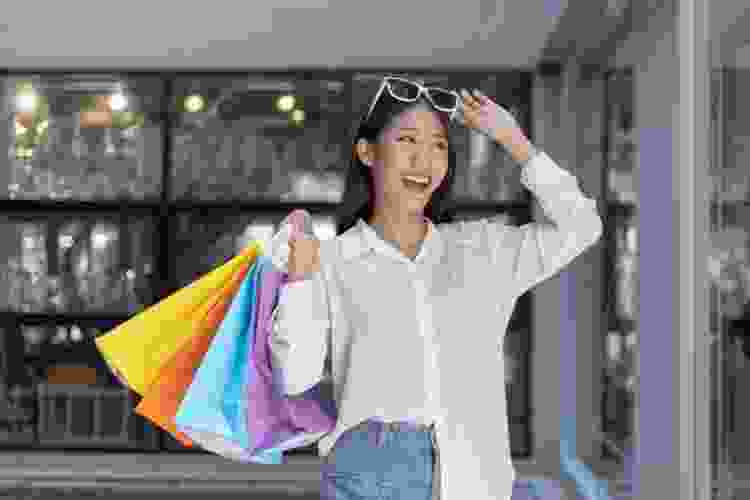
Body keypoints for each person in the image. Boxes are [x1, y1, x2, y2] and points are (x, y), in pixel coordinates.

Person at [268, 75, 603, 500]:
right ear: (367, 152)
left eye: (439, 146)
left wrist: (513, 140)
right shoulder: (332, 262)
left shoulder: (483, 249)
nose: (424, 159)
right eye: (408, 140)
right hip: (368, 474)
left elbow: (582, 226)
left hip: (472, 478)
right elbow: (295, 376)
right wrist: (298, 280)